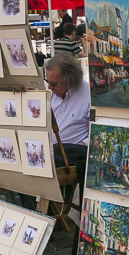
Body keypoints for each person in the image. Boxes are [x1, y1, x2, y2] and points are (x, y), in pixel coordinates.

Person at [44, 52, 90, 190]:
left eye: (53, 83)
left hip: (72, 152)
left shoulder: (88, 95)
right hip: (50, 152)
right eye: (48, 82)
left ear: (70, 79)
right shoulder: (51, 94)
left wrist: (83, 144)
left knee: (63, 152)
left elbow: (96, 134)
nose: (49, 87)